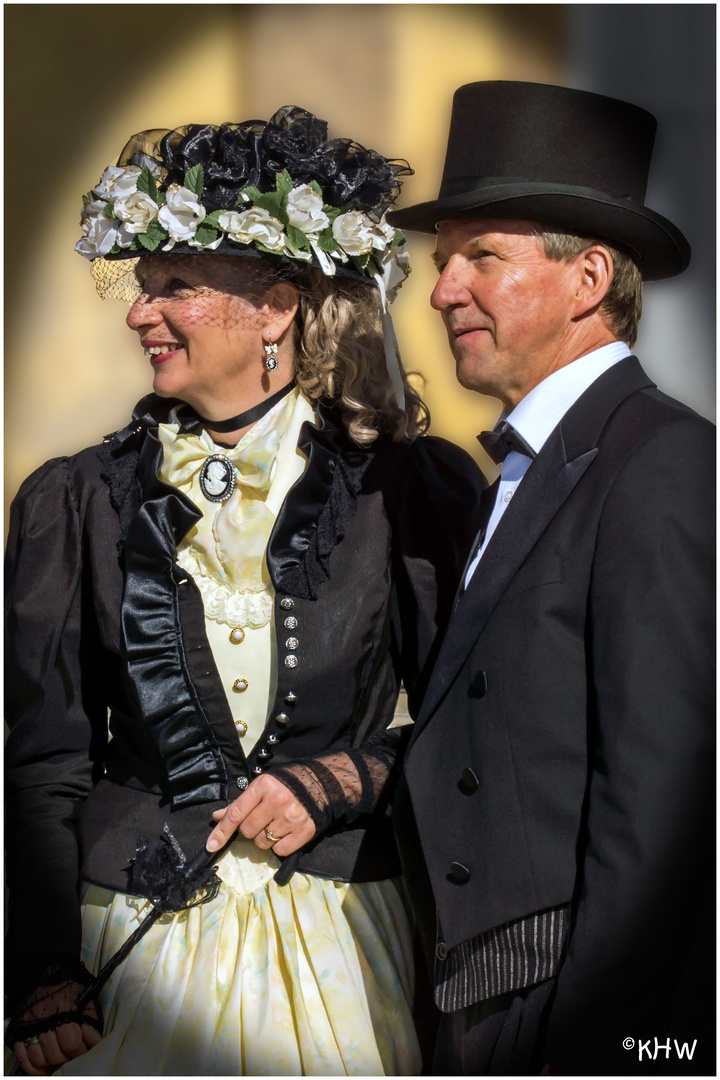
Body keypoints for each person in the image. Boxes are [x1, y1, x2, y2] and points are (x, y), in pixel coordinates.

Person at [4, 106, 484, 1076]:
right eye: (141, 289)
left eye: (174, 287)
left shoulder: (412, 489)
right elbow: (39, 756)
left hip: (342, 936)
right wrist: (41, 972)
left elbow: (475, 719)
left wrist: (342, 782)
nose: (140, 313)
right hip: (133, 948)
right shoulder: (78, 499)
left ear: (275, 307)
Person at [389, 81, 715, 1075]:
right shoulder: (529, 467)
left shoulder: (659, 461)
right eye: (444, 264)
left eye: (483, 258)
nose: (443, 290)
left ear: (588, 280)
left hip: (566, 1015)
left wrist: (592, 1041)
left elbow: (664, 811)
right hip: (481, 1008)